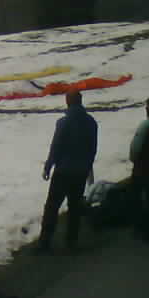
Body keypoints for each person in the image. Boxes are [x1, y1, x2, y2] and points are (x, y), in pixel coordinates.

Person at [38, 90, 98, 250]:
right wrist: (87, 166)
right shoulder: (91, 122)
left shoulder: (63, 123)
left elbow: (56, 147)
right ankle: (71, 241)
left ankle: (45, 242)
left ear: (68, 102)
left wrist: (48, 166)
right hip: (80, 172)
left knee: (52, 206)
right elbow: (92, 149)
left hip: (63, 171)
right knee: (75, 206)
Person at [129, 97, 149, 239]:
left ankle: (142, 229)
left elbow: (134, 151)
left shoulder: (145, 126)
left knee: (137, 197)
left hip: (144, 168)